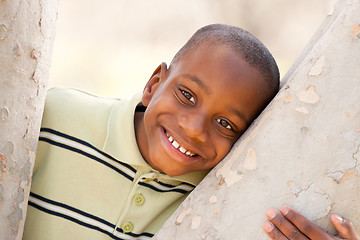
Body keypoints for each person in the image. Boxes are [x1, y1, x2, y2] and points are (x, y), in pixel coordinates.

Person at [23, 24, 358, 240]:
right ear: (154, 84)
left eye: (226, 124)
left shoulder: (226, 199)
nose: (194, 129)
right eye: (187, 95)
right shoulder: (55, 118)